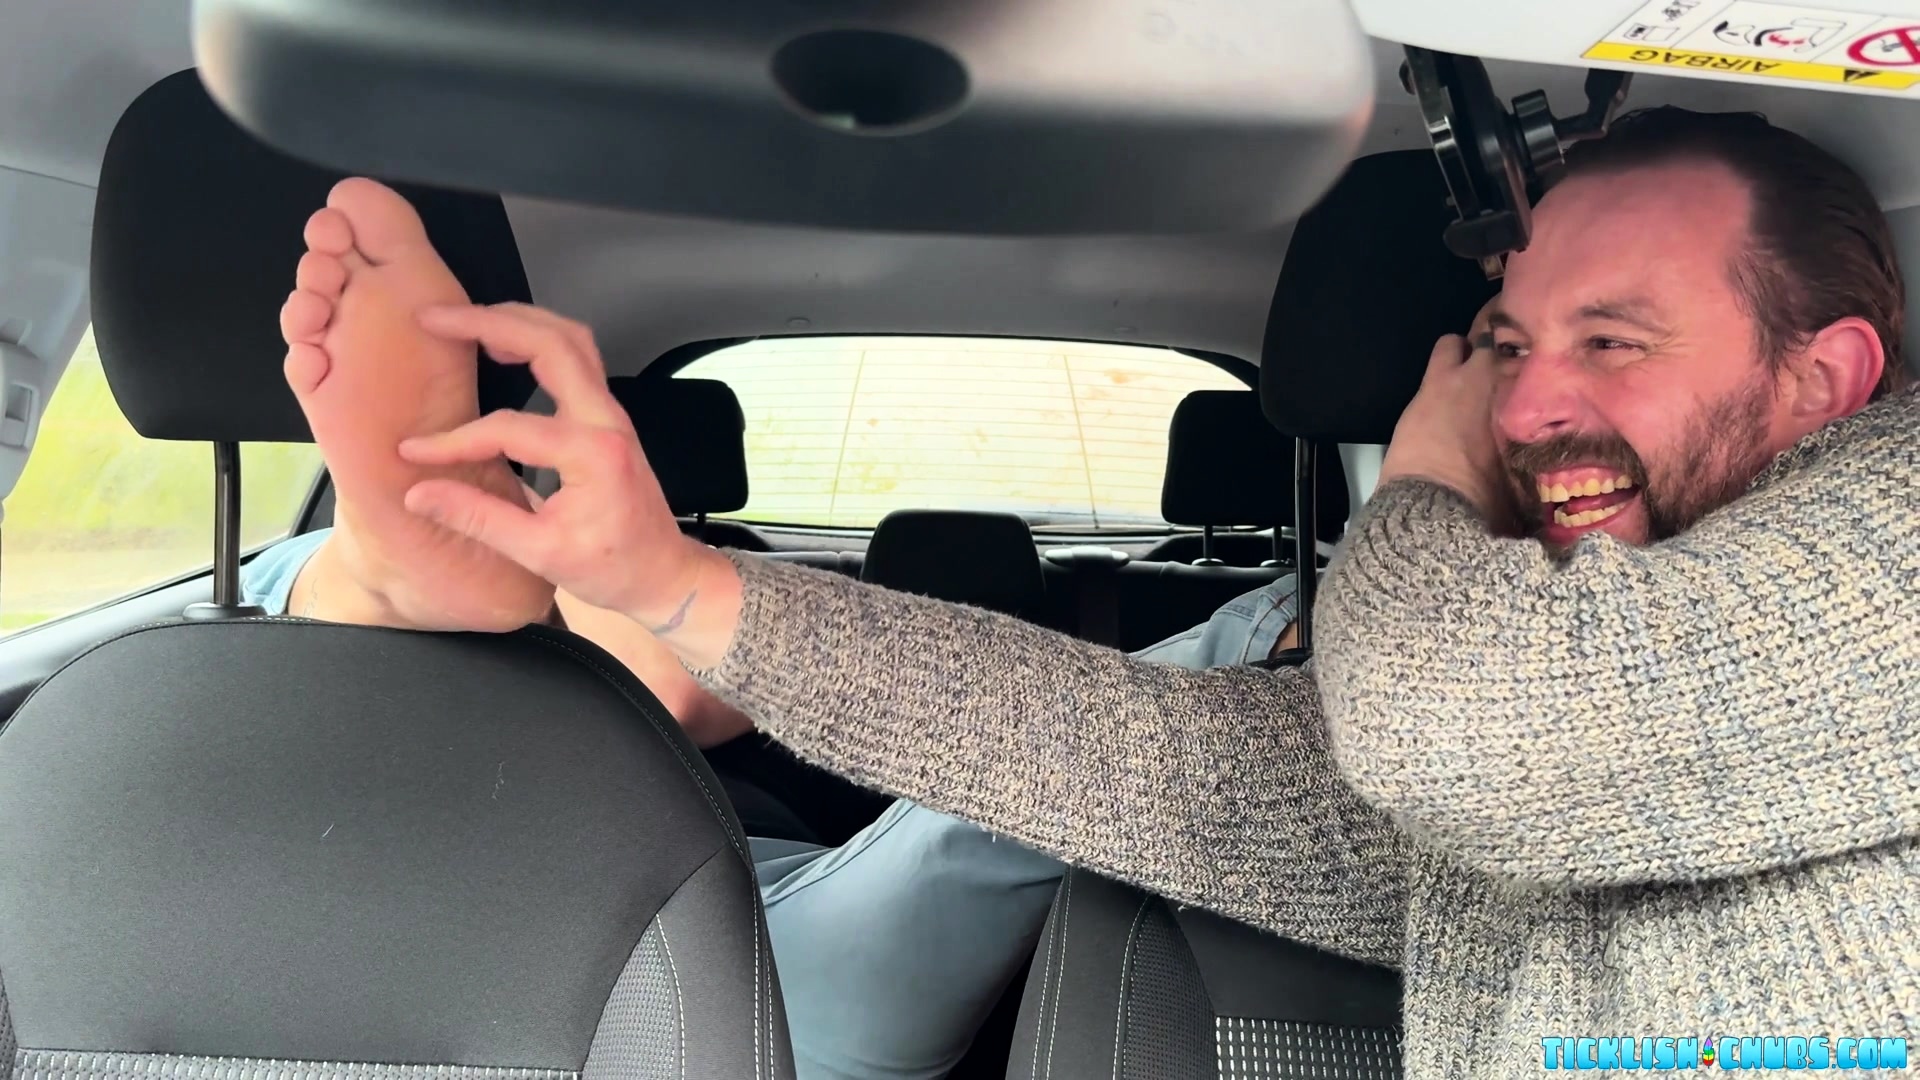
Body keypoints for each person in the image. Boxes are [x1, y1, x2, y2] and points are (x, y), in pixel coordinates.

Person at [279, 104, 1919, 1072]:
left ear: (1827, 379)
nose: (1529, 401)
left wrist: (1422, 483)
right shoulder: (1592, 721)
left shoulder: (1889, 541)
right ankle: (415, 579)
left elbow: (1453, 720)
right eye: (1504, 344)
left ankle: (426, 592)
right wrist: (677, 579)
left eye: (1612, 343)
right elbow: (1150, 767)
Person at [246, 177, 1314, 1078]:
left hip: (496, 916)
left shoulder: (149, 682)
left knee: (287, 621)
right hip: (699, 946)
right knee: (1009, 815)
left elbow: (689, 695)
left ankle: (374, 578)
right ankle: (398, 578)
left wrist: (671, 589)